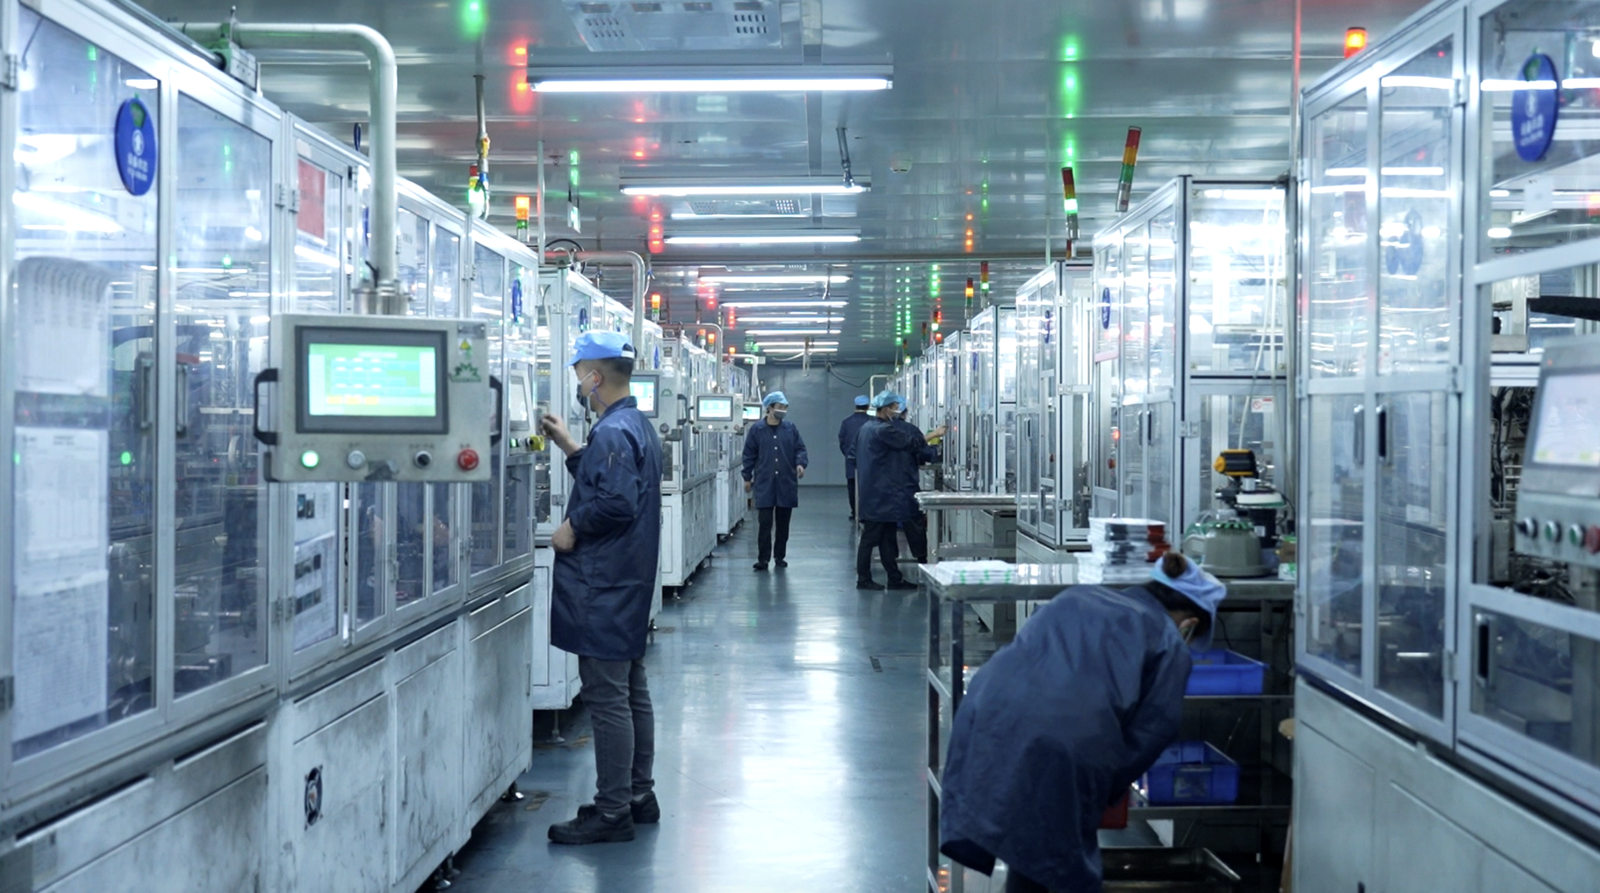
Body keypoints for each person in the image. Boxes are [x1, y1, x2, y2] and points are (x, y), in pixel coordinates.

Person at [939, 552, 1227, 892]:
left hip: (984, 715)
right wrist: (1108, 785)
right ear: (1189, 623)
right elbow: (1155, 730)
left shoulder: (1079, 596)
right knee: (1060, 866)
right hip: (1060, 741)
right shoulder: (1168, 640)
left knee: (1028, 847)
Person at [539, 331, 664, 846]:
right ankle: (638, 795)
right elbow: (608, 480)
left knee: (607, 698)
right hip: (627, 580)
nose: (577, 385)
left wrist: (572, 526)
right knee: (631, 689)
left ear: (595, 377)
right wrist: (571, 447)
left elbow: (614, 502)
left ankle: (612, 812)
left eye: (578, 375)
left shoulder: (613, 431)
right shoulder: (635, 425)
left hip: (604, 584)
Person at [854, 391, 945, 591]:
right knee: (870, 538)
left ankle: (894, 578)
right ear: (886, 408)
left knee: (887, 537)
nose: (897, 411)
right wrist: (935, 434)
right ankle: (863, 579)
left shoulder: (866, 428)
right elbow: (912, 443)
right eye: (895, 407)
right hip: (880, 494)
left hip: (877, 492)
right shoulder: (883, 430)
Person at [742, 391, 808, 571]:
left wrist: (800, 464)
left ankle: (780, 556)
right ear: (770, 408)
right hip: (764, 483)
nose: (783, 410)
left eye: (785, 407)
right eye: (780, 407)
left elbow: (800, 449)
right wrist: (747, 477)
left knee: (783, 524)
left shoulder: (790, 429)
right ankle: (763, 559)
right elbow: (749, 455)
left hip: (786, 482)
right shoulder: (757, 430)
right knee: (765, 523)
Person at [837, 395, 872, 521]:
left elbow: (842, 441)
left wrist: (848, 454)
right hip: (870, 461)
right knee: (868, 486)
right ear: (868, 406)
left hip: (851, 460)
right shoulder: (872, 421)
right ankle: (866, 512)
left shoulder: (847, 422)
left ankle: (854, 512)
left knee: (852, 486)